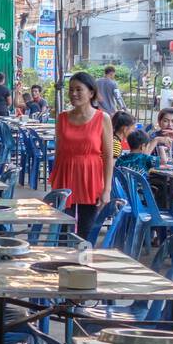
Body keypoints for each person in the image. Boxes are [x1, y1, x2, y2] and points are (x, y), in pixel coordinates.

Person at [49, 71, 114, 237]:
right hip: (65, 177)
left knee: (85, 230)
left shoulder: (103, 118)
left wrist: (107, 189)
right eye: (71, 90)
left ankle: (81, 262)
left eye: (79, 89)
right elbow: (59, 151)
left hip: (90, 178)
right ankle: (63, 262)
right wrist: (55, 181)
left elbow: (108, 156)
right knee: (62, 231)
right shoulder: (62, 118)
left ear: (91, 92)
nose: (74, 94)